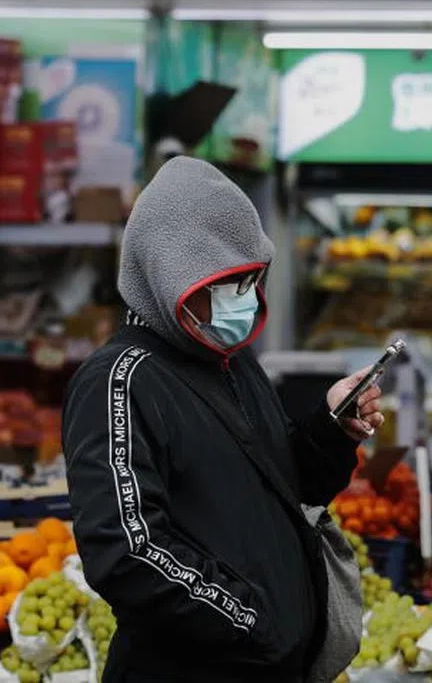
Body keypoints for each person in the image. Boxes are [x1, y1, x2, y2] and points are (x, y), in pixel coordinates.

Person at [62, 156, 382, 683]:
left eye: (250, 279)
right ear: (171, 277)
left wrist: (331, 429)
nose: (243, 300)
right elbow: (126, 550)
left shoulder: (230, 361)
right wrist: (254, 622)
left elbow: (283, 487)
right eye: (225, 284)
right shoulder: (120, 380)